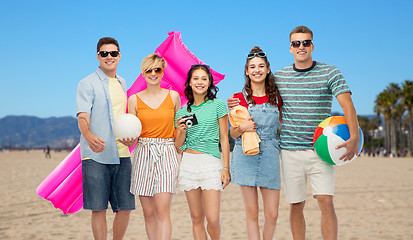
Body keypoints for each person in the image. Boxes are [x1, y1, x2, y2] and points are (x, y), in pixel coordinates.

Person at [274, 26, 360, 240]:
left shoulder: (330, 72)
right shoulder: (279, 77)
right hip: (289, 151)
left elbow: (348, 106)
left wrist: (354, 137)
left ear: (312, 46)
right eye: (296, 43)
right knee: (296, 204)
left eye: (305, 42)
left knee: (326, 201)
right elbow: (267, 104)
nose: (301, 47)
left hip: (321, 150)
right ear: (290, 48)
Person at [76, 37, 136, 240]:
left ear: (119, 56)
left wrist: (130, 138)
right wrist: (89, 136)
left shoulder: (122, 83)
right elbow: (83, 117)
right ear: (98, 56)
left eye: (113, 53)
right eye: (104, 53)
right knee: (98, 209)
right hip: (96, 155)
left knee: (126, 207)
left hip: (122, 154)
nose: (108, 57)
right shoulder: (86, 83)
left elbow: (123, 118)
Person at [229, 47, 282, 240]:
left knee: (272, 214)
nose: (256, 70)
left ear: (268, 69)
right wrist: (242, 127)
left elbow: (283, 124)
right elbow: (233, 133)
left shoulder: (277, 97)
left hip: (270, 155)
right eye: (252, 67)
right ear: (246, 71)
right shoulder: (238, 98)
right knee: (252, 213)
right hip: (245, 155)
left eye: (261, 66)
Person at [127, 53, 181, 240]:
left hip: (167, 151)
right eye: (149, 70)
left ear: (163, 72)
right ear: (143, 73)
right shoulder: (133, 100)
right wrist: (129, 141)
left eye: (157, 69)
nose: (153, 73)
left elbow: (179, 130)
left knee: (162, 210)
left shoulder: (173, 96)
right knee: (148, 213)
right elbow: (133, 136)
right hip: (143, 152)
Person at [175, 64, 230, 240]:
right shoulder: (182, 112)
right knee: (196, 218)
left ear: (209, 83)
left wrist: (226, 168)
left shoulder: (218, 105)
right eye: (196, 78)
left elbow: (224, 138)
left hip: (211, 164)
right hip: (188, 165)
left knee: (212, 219)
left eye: (204, 78)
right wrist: (182, 131)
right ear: (189, 83)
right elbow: (178, 146)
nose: (200, 82)